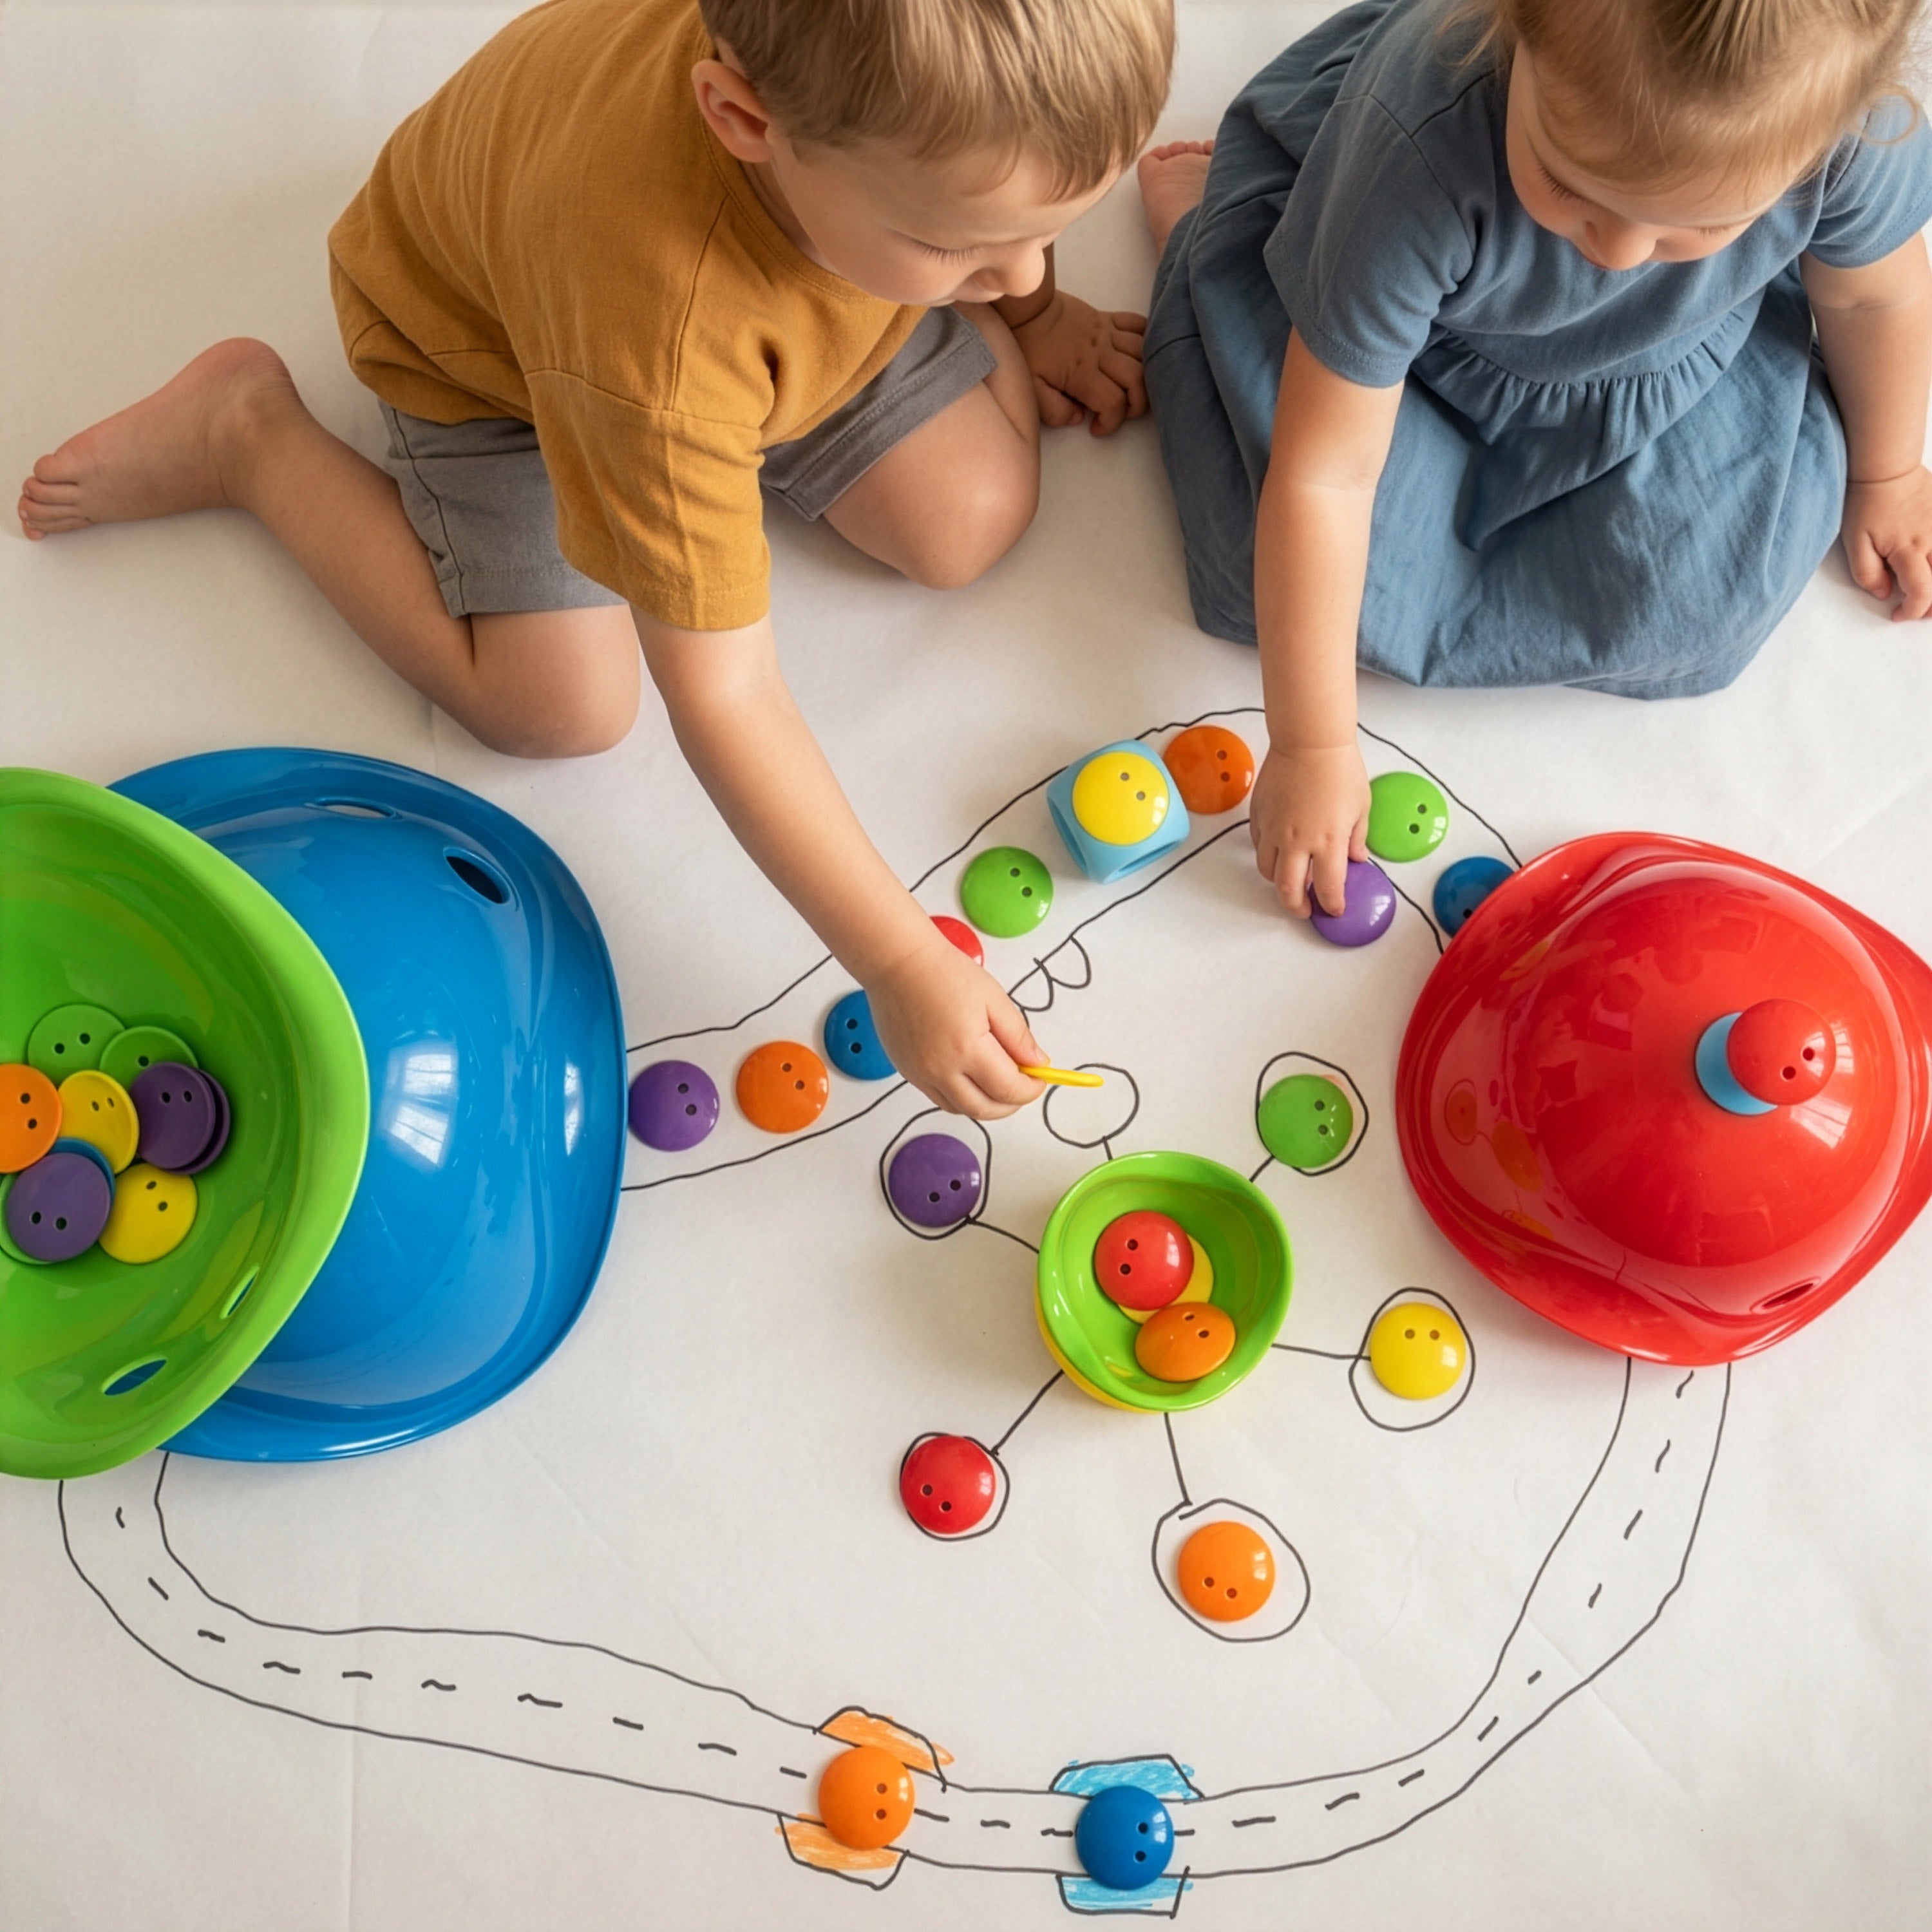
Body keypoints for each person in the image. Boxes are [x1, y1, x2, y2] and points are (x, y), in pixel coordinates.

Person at [16, 0, 1172, 1119]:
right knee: (555, 705)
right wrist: (903, 963)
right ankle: (248, 437)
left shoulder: (857, 118)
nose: (1025, 274)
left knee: (969, 517)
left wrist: (1023, 307)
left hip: (794, 287)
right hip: (500, 366)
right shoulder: (657, 357)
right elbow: (726, 694)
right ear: (743, 117)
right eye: (963, 244)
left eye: (1052, 228)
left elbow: (1003, 217)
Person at [1136, 0, 1932, 919]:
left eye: (1692, 227)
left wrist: (1888, 473)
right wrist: (1313, 744)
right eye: (1569, 184)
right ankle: (1209, 225)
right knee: (1252, 538)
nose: (1620, 251)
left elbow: (1874, 301)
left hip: (1659, 367)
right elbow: (1327, 475)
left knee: (1706, 601)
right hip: (1412, 357)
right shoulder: (1418, 153)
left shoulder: (1848, 127)